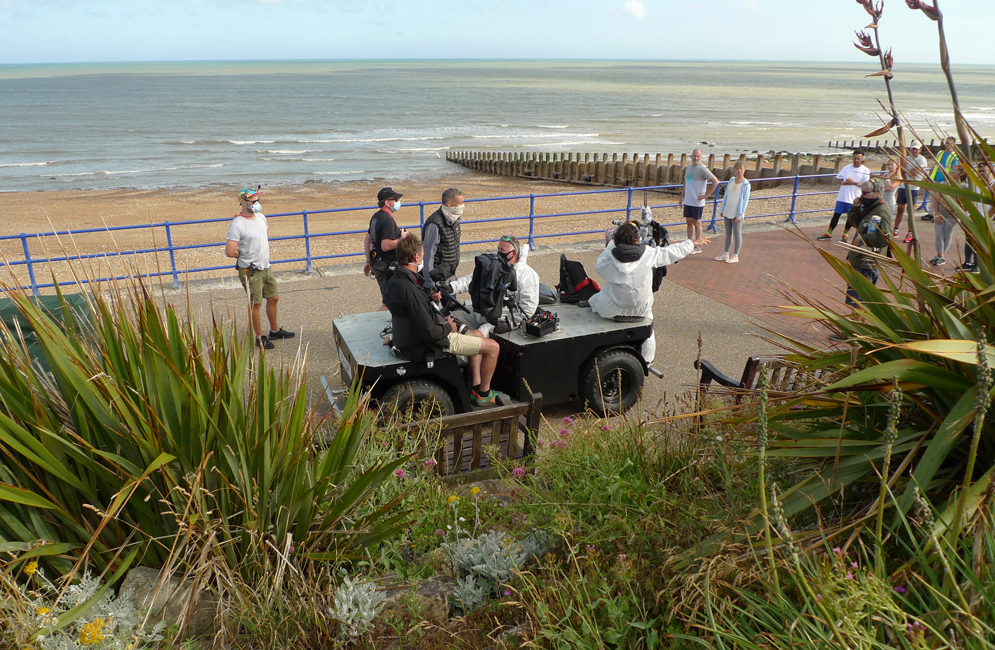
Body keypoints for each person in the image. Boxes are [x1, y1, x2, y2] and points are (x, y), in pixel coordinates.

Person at [383, 233, 503, 406]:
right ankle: (485, 394)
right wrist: (449, 326)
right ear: (416, 257)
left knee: (477, 335)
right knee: (493, 347)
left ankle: (475, 387)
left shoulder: (397, 279)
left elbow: (418, 313)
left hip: (412, 337)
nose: (423, 257)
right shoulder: (410, 290)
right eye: (422, 254)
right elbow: (430, 332)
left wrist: (433, 305)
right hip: (430, 343)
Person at [589, 223, 710, 364]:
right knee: (649, 325)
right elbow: (671, 252)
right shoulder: (648, 253)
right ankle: (647, 359)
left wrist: (612, 245)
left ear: (616, 241)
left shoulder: (609, 258)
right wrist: (692, 243)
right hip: (641, 310)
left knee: (595, 300)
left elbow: (599, 265)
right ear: (636, 240)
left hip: (613, 309)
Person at [225, 188, 295, 350]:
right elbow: (230, 251)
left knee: (273, 298)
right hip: (250, 270)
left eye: (258, 201)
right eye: (253, 201)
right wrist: (245, 255)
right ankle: (259, 336)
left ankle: (275, 331)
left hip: (265, 266)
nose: (257, 204)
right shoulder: (237, 224)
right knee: (255, 304)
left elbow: (264, 234)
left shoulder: (261, 217)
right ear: (242, 202)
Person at [448, 235, 540, 336]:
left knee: (477, 335)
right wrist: (451, 287)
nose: (499, 252)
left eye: (502, 249)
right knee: (450, 318)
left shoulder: (527, 275)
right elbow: (471, 279)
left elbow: (529, 306)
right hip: (480, 313)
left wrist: (510, 324)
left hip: (500, 320)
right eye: (498, 249)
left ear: (513, 252)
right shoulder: (492, 265)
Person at [843, 178, 892, 307]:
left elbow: (885, 239)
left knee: (859, 301)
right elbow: (856, 223)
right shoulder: (870, 207)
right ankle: (857, 323)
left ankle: (857, 325)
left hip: (867, 262)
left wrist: (863, 238)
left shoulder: (881, 210)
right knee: (856, 299)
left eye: (864, 193)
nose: (861, 196)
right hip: (860, 260)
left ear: (875, 193)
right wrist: (855, 208)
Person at [364, 187, 408, 309]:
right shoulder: (387, 220)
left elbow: (368, 240)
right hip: (386, 266)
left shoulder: (376, 217)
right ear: (388, 202)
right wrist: (402, 238)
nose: (398, 201)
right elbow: (386, 245)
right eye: (396, 199)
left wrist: (368, 261)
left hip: (377, 263)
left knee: (392, 299)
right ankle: (376, 324)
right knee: (390, 301)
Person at [818, 150, 870, 242]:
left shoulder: (865, 170)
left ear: (862, 159)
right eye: (854, 158)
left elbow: (865, 185)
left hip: (854, 198)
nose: (856, 160)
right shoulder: (847, 168)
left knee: (850, 217)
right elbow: (839, 179)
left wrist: (853, 182)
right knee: (836, 214)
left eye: (858, 158)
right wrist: (844, 183)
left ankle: (845, 234)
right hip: (842, 196)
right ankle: (829, 233)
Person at [422, 188, 464, 289]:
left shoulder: (454, 220)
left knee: (452, 305)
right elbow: (428, 255)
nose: (463, 206)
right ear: (449, 203)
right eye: (460, 203)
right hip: (437, 276)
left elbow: (452, 248)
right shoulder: (435, 224)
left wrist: (454, 272)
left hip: (449, 274)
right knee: (433, 304)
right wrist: (430, 284)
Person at [677, 149, 717, 254]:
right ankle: (690, 243)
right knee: (689, 221)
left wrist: (707, 195)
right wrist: (682, 196)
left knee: (697, 221)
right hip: (688, 200)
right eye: (694, 156)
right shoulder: (689, 167)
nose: (696, 158)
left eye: (698, 156)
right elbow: (686, 181)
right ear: (691, 156)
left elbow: (715, 181)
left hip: (698, 201)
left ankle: (698, 245)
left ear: (701, 157)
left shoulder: (703, 169)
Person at [930, 164, 968, 267]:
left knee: (947, 236)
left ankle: (941, 256)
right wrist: (936, 213)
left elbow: (967, 203)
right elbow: (938, 199)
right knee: (939, 235)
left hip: (953, 216)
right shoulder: (945, 184)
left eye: (954, 171)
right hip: (941, 214)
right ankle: (940, 256)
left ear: (961, 173)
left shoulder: (964, 187)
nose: (951, 172)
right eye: (950, 170)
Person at [715, 161, 751, 264]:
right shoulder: (731, 180)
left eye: (741, 169)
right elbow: (726, 195)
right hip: (728, 210)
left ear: (744, 170)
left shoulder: (746, 184)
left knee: (737, 233)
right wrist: (722, 209)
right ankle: (725, 253)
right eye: (737, 169)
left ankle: (735, 255)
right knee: (728, 233)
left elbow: (745, 200)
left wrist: (740, 214)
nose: (739, 171)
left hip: (737, 212)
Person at [895, 141, 928, 242]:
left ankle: (910, 232)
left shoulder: (922, 160)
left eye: (916, 149)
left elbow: (915, 173)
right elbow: (900, 170)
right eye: (913, 148)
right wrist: (904, 171)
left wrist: (906, 171)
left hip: (913, 188)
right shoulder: (906, 158)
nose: (914, 151)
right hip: (903, 186)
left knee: (910, 210)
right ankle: (895, 229)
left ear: (920, 149)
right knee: (900, 207)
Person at [923, 137, 959, 223]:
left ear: (953, 144)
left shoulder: (954, 156)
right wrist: (930, 176)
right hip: (935, 178)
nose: (947, 144)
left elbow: (954, 170)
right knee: (933, 197)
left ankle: (939, 215)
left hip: (944, 180)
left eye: (949, 143)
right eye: (946, 142)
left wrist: (947, 180)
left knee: (940, 199)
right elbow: (935, 165)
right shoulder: (940, 153)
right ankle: (931, 214)